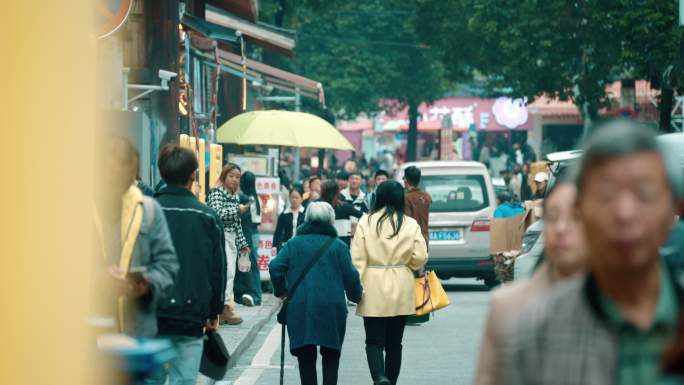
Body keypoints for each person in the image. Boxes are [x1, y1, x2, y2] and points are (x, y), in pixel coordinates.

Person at [502, 120, 684, 385]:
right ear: (582, 211)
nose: (624, 213)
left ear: (673, 209)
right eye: (606, 195)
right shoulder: (537, 329)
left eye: (643, 194)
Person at [475, 176, 587, 385]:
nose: (561, 228)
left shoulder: (613, 302)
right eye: (552, 217)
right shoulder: (506, 305)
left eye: (574, 217)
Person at [148, 145, 226, 385]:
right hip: (191, 315)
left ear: (161, 174)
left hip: (149, 312)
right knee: (184, 380)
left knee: (151, 380)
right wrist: (215, 310)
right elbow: (217, 270)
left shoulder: (144, 212)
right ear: (193, 175)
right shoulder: (207, 217)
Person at [269, 202, 363, 385]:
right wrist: (356, 295)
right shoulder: (339, 246)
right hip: (332, 306)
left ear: (307, 219)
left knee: (306, 357)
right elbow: (351, 276)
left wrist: (282, 291)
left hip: (301, 305)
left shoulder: (293, 244)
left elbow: (275, 267)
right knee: (331, 355)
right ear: (331, 220)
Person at [351, 181, 428, 385]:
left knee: (373, 341)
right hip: (401, 284)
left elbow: (357, 259)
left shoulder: (366, 222)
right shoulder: (410, 224)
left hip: (372, 285)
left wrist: (356, 287)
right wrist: (405, 265)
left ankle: (379, 377)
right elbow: (420, 257)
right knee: (395, 343)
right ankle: (391, 381)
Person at [207, 163, 250, 325]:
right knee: (227, 273)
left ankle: (225, 308)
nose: (234, 180)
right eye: (231, 176)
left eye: (238, 177)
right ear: (224, 176)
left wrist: (242, 244)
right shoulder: (216, 193)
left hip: (231, 238)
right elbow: (216, 214)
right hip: (219, 236)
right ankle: (223, 308)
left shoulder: (235, 196)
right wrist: (238, 210)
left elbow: (237, 223)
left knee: (230, 273)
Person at [235, 171, 262, 307]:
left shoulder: (245, 198)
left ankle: (255, 295)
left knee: (249, 265)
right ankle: (251, 293)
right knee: (249, 265)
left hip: (248, 235)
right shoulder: (256, 198)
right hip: (255, 234)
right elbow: (258, 221)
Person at [321, 180, 363, 246]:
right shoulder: (344, 207)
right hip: (343, 242)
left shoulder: (317, 206)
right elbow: (364, 216)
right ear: (337, 192)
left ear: (322, 192)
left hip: (322, 242)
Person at [403, 166, 432, 251]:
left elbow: (406, 222)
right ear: (419, 180)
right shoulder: (427, 197)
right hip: (424, 239)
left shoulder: (406, 198)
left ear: (405, 180)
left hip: (411, 242)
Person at [272, 186, 306, 254]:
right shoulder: (284, 214)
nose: (294, 200)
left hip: (302, 246)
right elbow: (278, 231)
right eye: (292, 197)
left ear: (302, 199)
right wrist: (274, 246)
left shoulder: (305, 213)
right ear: (289, 198)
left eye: (297, 198)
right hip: (286, 246)